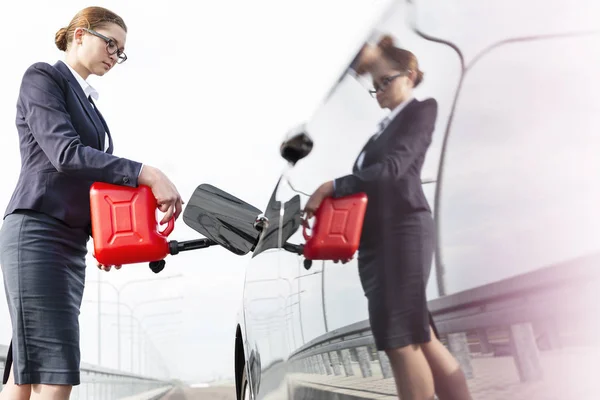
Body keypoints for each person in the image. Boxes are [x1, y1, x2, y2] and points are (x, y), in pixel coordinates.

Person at [0, 6, 183, 400]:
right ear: (79, 34)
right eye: (110, 44)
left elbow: (91, 184)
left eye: (120, 52)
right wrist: (145, 172)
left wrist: (108, 237)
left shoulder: (94, 111)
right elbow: (65, 154)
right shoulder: (43, 77)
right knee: (55, 362)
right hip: (37, 229)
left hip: (69, 241)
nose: (115, 56)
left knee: (29, 362)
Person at [304, 36, 472, 400]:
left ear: (410, 75)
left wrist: (333, 185)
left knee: (399, 338)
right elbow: (371, 192)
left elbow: (394, 172)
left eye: (385, 81)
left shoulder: (421, 110)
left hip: (403, 233)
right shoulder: (378, 132)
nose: (378, 91)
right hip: (376, 242)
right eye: (374, 87)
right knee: (418, 337)